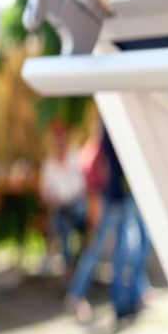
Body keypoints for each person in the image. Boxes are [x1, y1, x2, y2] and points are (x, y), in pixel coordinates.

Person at [67, 129, 130, 321]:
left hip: (118, 196)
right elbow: (104, 163)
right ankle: (76, 294)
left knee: (121, 250)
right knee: (99, 249)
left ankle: (121, 302)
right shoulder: (111, 125)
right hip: (112, 197)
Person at [39, 120, 86, 271]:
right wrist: (52, 199)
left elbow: (83, 185)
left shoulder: (76, 156)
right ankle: (70, 266)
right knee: (61, 222)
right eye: (56, 135)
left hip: (77, 204)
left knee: (72, 214)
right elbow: (44, 191)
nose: (59, 139)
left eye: (61, 134)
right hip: (60, 207)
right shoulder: (49, 163)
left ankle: (77, 264)